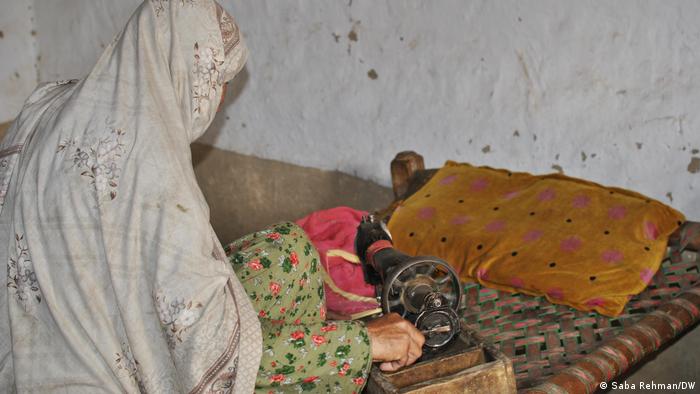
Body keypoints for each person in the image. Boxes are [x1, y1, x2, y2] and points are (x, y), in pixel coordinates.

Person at [0, 1, 424, 393]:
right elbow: (206, 355)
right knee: (328, 358)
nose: (219, 99)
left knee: (290, 252)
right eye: (217, 80)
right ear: (191, 71)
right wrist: (365, 341)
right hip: (98, 377)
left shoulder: (48, 104)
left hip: (42, 334)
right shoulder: (153, 168)